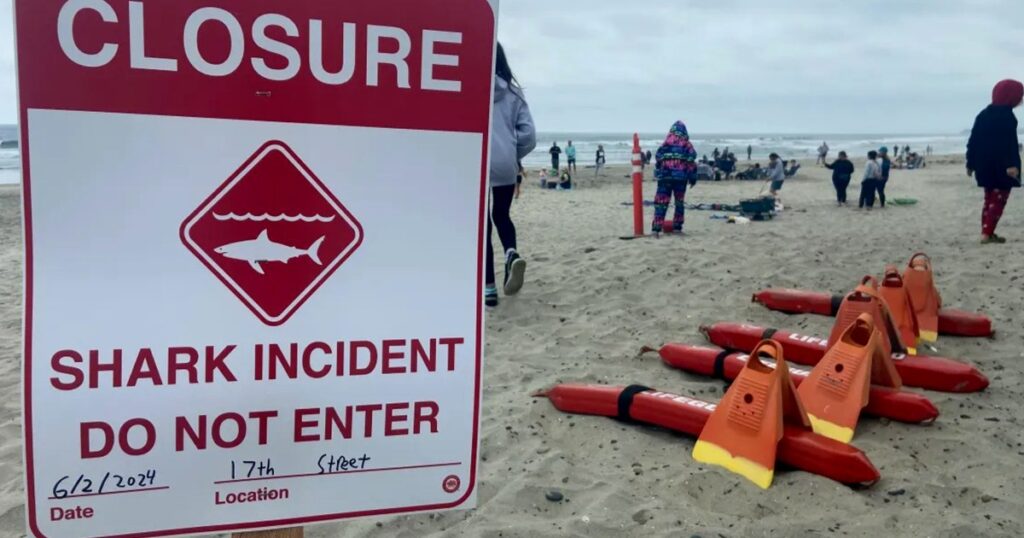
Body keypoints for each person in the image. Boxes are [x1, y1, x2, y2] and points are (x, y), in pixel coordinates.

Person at [485, 43, 535, 307]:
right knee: (501, 215)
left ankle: (489, 289)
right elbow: (529, 136)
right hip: (505, 163)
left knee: (481, 225)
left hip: (476, 162)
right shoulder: (514, 93)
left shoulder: (467, 87)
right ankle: (511, 253)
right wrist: (513, 154)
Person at [967, 79, 1023, 244]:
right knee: (998, 201)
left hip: (984, 166)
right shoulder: (1007, 117)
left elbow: (973, 140)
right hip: (1002, 167)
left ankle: (987, 232)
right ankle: (986, 233)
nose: (1022, 99)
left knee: (989, 199)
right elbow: (1008, 143)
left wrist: (970, 163)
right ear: (1010, 96)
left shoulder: (983, 114)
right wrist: (1011, 164)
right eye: (1020, 95)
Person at [651, 121, 698, 235]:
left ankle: (656, 229)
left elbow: (658, 158)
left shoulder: (665, 143)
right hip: (680, 178)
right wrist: (692, 178)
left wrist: (658, 172)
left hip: (665, 177)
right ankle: (677, 227)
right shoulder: (686, 144)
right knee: (679, 202)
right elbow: (691, 159)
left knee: (661, 202)